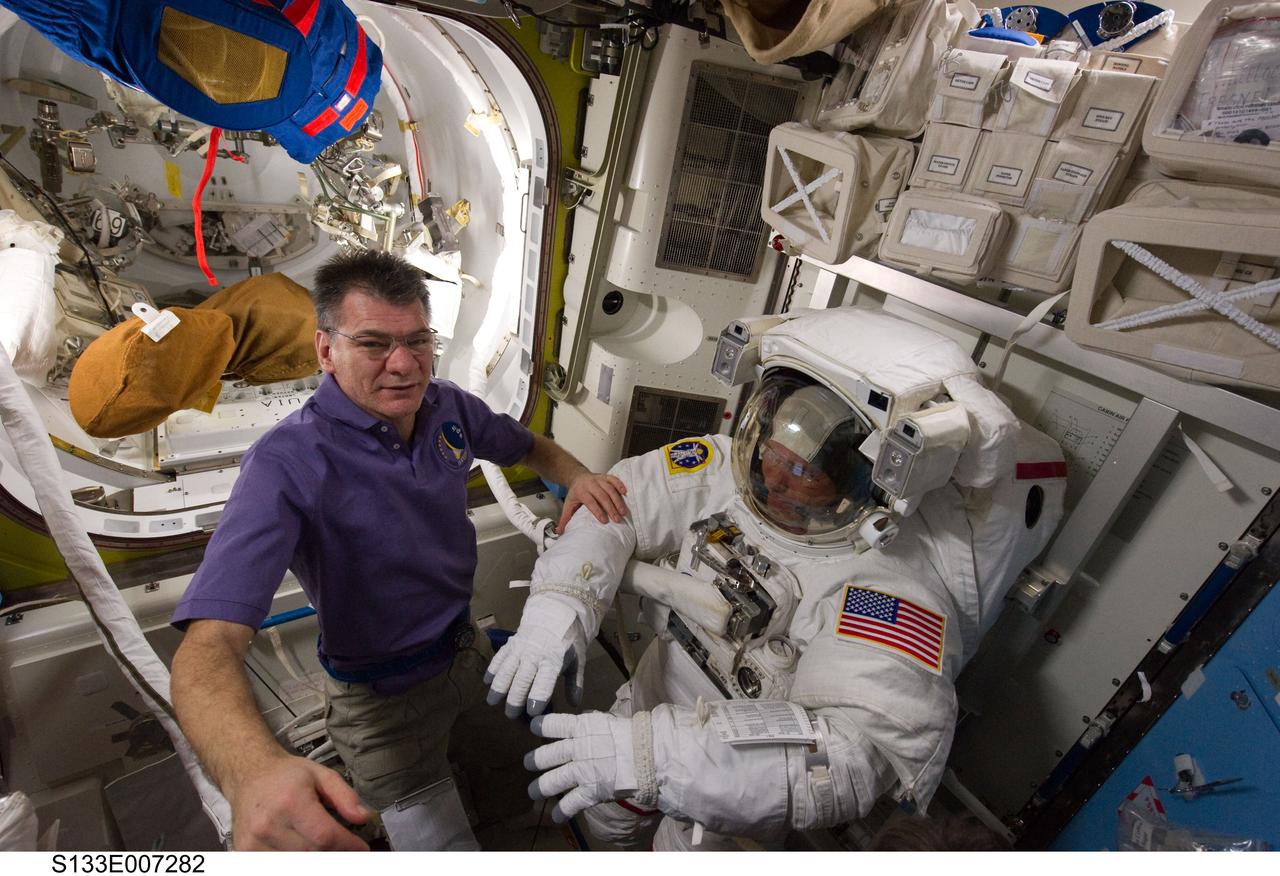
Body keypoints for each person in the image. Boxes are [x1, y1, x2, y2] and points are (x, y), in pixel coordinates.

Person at [486, 306, 1067, 850]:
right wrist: (557, 609)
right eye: (772, 450)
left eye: (803, 470)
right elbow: (611, 509)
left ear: (860, 479)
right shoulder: (723, 472)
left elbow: (848, 759)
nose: (776, 477)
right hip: (654, 692)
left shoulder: (889, 584)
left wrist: (655, 758)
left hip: (733, 772)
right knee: (603, 816)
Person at [169, 249, 627, 851]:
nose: (404, 364)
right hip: (380, 710)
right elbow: (207, 649)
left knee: (523, 792)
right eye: (373, 344)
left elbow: (528, 447)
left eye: (417, 340)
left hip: (469, 659)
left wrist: (580, 477)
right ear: (326, 350)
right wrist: (251, 773)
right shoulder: (286, 464)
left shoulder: (448, 407)